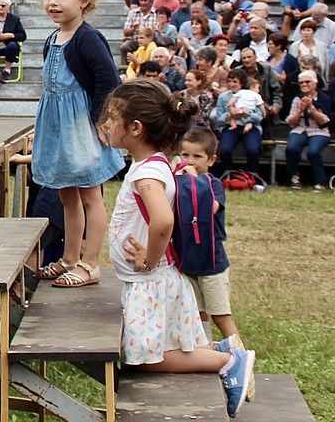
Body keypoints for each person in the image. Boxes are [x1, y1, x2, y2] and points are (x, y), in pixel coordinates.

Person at [104, 80, 255, 417]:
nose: (107, 124)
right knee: (164, 347)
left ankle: (229, 361)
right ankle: (217, 350)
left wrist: (148, 259)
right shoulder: (155, 164)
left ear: (135, 128)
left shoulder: (148, 174)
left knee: (140, 359)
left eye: (113, 118)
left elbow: (162, 221)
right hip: (155, 282)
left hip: (150, 283)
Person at [30, 0, 123, 289]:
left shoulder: (87, 38)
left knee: (89, 196)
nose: (53, 2)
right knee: (66, 195)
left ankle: (90, 262)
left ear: (84, 0)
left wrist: (102, 121)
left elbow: (108, 81)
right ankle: (69, 257)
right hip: (59, 129)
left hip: (82, 129)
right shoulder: (53, 39)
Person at [177, 127, 243, 347]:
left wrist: (195, 182)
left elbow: (208, 208)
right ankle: (207, 353)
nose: (190, 161)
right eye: (185, 155)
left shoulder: (212, 183)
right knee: (197, 316)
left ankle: (240, 355)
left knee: (221, 315)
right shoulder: (178, 182)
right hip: (187, 263)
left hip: (212, 263)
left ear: (211, 160)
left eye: (197, 156)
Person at [284, 70, 334, 191]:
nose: (304, 85)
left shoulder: (324, 98)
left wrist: (311, 108)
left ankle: (320, 181)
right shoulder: (297, 99)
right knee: (291, 148)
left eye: (307, 82)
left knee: (313, 152)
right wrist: (300, 110)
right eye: (301, 83)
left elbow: (324, 121)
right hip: (300, 129)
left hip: (319, 130)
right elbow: (291, 122)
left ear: (315, 83)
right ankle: (294, 176)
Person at [213, 70, 264, 175]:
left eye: (235, 81)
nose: (232, 84)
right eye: (229, 81)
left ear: (241, 83)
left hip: (250, 126)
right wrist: (229, 115)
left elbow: (259, 117)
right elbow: (219, 120)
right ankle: (228, 173)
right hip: (230, 126)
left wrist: (246, 114)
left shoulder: (252, 95)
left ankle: (252, 173)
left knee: (253, 149)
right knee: (225, 150)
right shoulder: (223, 97)